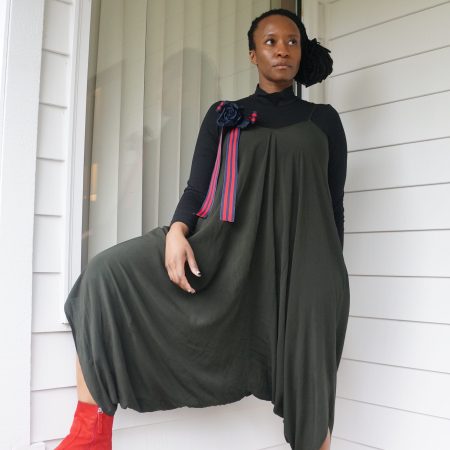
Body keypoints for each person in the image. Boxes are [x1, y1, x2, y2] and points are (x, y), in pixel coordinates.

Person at [56, 7, 349, 450]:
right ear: (252, 54)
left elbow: (333, 204)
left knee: (312, 380)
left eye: (292, 41)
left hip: (307, 267)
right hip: (229, 254)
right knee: (103, 275)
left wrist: (330, 277)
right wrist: (177, 231)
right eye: (270, 41)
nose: (282, 50)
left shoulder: (323, 120)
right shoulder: (225, 115)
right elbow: (197, 189)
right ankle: (89, 436)